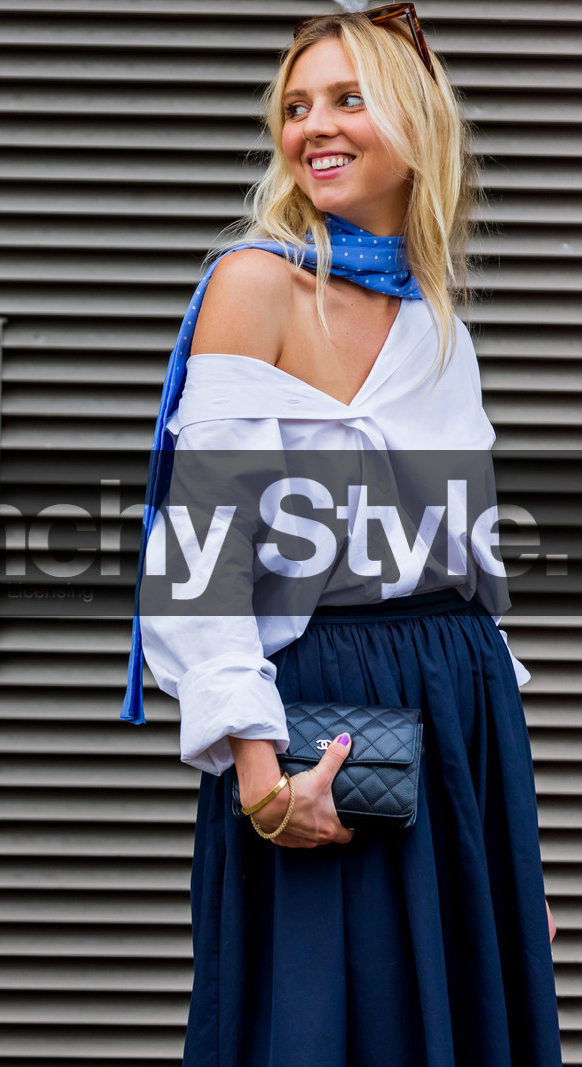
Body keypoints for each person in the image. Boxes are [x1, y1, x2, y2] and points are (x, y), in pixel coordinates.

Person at [122, 7, 561, 1065]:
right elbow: (199, 551)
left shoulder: (433, 317)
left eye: (345, 97)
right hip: (329, 714)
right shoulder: (255, 282)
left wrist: (509, 861)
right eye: (293, 105)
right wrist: (261, 774)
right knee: (317, 1027)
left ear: (416, 124)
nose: (310, 126)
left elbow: (466, 572)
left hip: (457, 705)